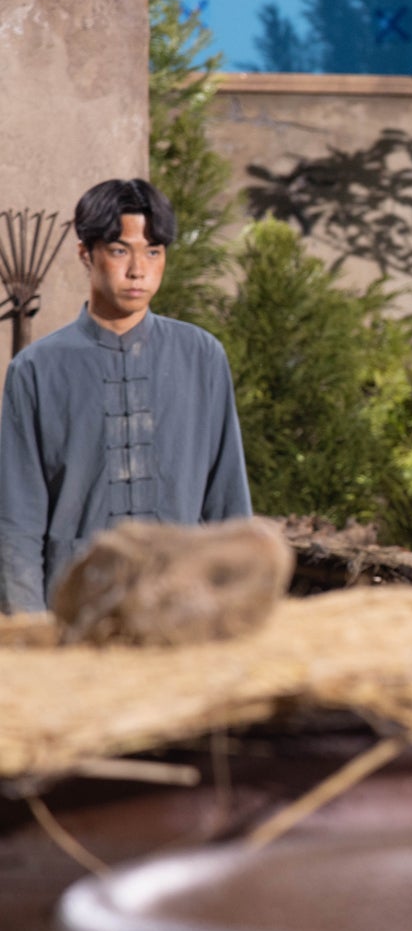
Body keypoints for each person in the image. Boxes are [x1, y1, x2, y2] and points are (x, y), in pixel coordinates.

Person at [0, 179, 252, 614]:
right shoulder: (36, 370)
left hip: (181, 610)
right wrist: (32, 631)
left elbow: (228, 505)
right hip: (75, 614)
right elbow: (16, 523)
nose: (138, 269)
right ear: (86, 253)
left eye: (153, 251)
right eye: (120, 250)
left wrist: (235, 612)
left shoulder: (202, 357)